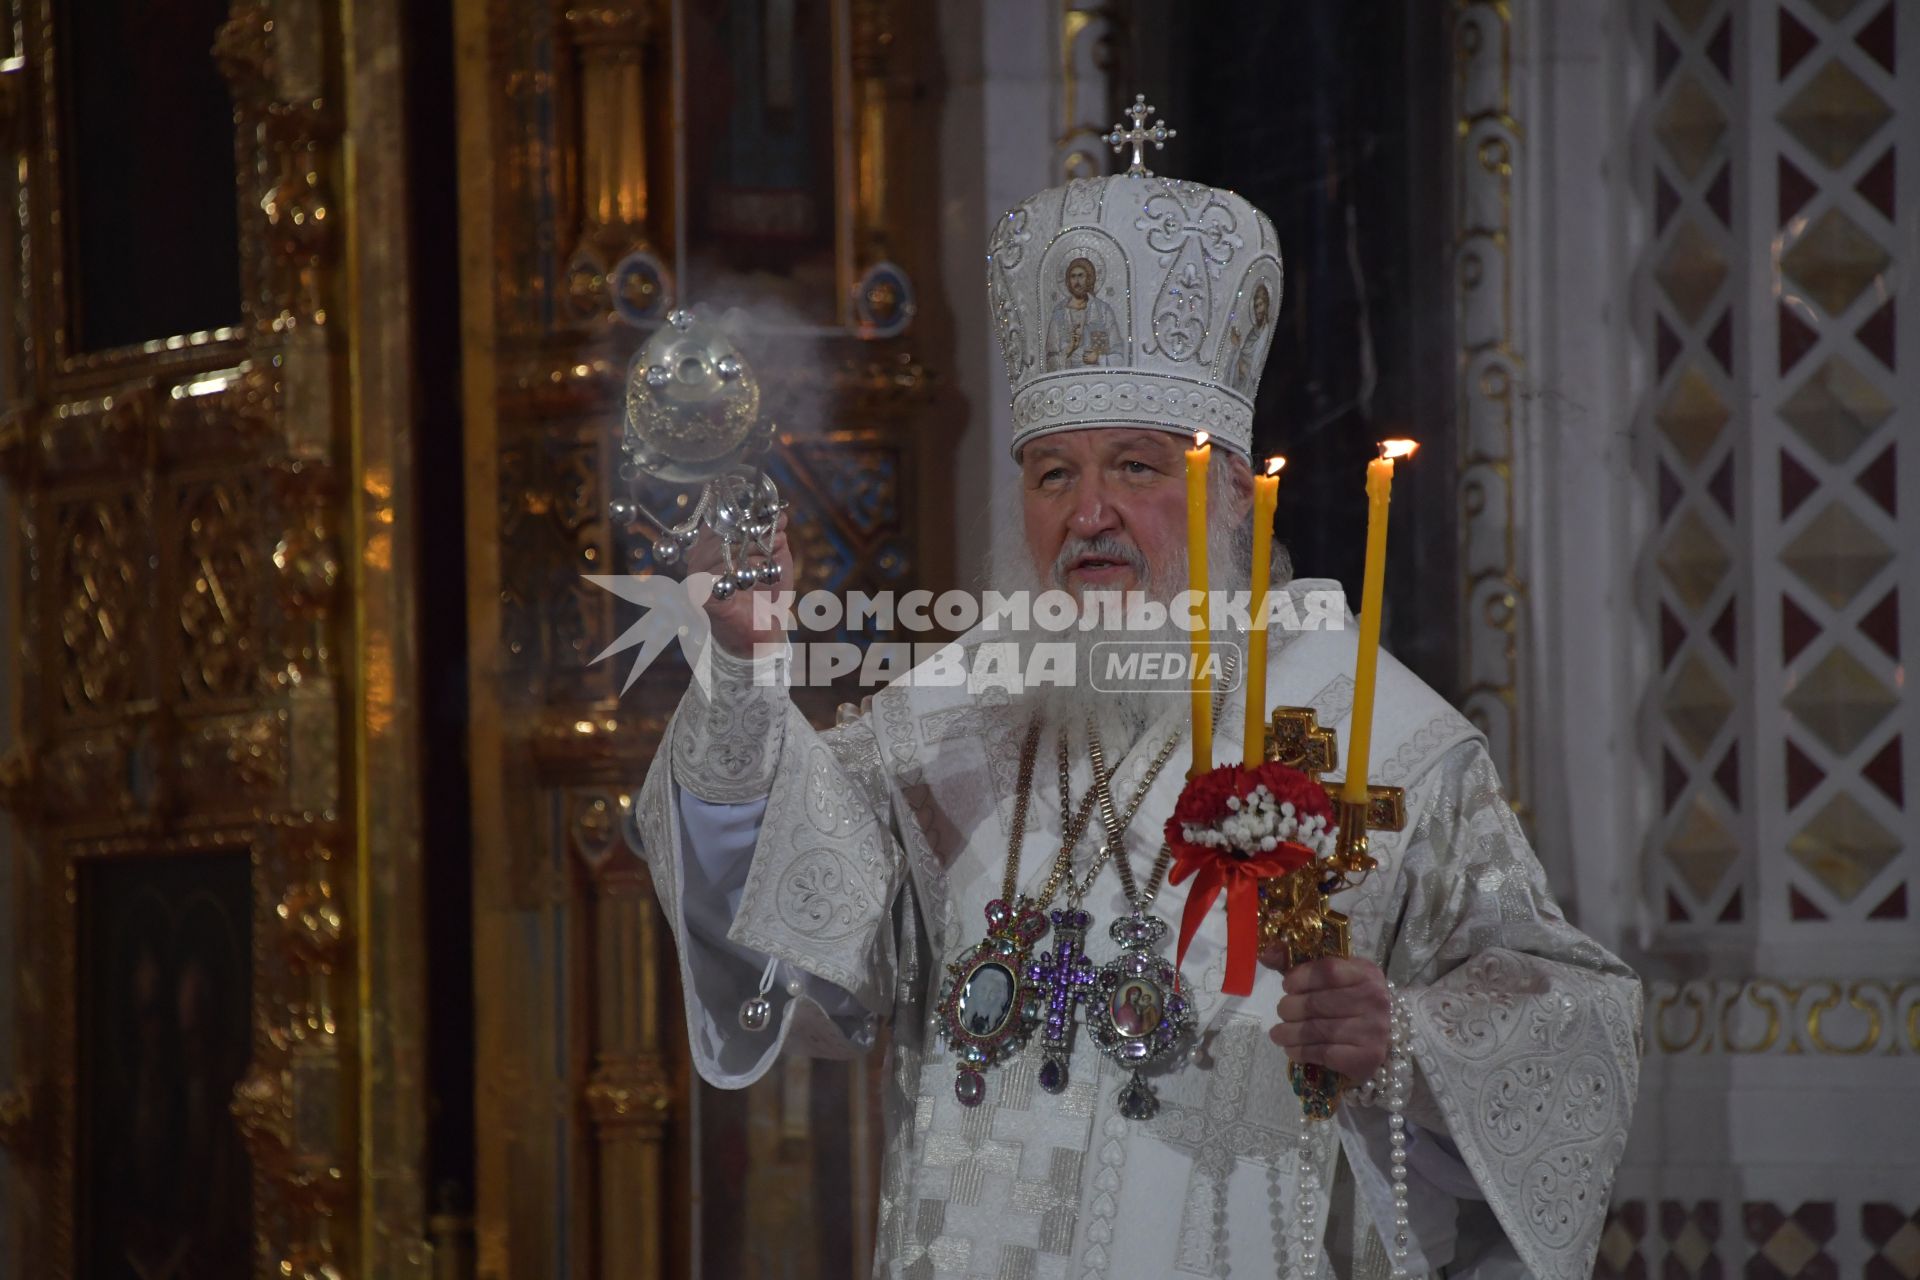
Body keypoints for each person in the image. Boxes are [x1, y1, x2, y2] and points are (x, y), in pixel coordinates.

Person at [633, 155, 1641, 1279]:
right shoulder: (946, 715)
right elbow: (784, 921)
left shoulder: (1381, 735)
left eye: (1135, 464)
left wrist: (1408, 1040)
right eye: (1053, 472)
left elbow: (1569, 1015)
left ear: (1224, 491)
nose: (1091, 510)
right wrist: (740, 670)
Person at [1045, 256, 1123, 370]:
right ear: (1068, 281)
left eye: (1081, 275)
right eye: (1073, 277)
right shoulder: (1059, 314)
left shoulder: (1103, 311)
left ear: (1089, 279)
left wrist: (1098, 358)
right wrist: (1069, 349)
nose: (1077, 281)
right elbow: (1050, 361)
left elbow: (1119, 355)